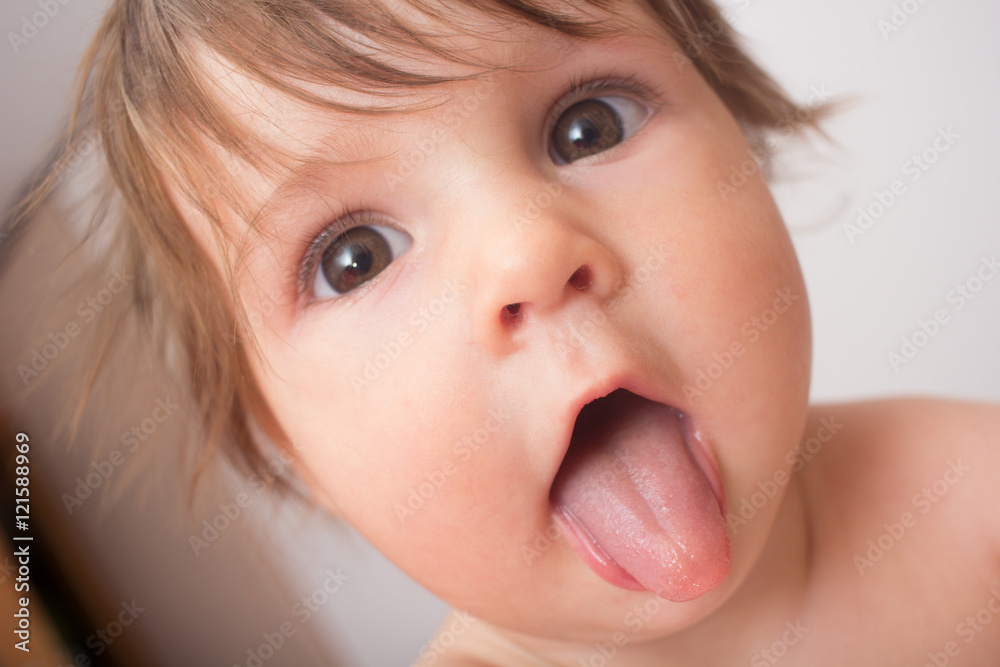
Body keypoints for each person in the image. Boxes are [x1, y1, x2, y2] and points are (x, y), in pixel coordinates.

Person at [11, 0, 999, 664]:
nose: (527, 252)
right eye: (356, 256)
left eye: (588, 126)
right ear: (289, 448)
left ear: (740, 132)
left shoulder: (973, 500)